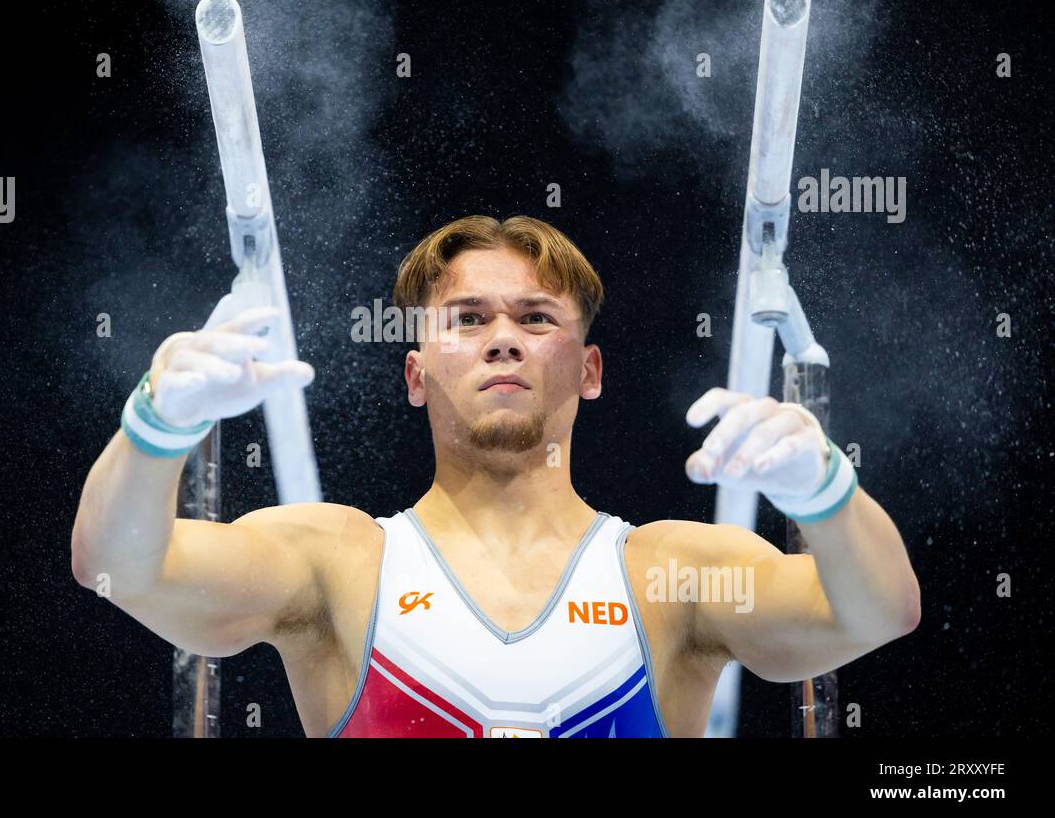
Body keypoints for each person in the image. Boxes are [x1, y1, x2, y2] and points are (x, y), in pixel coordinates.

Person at [71, 214, 920, 737]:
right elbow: (117, 567)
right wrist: (155, 423)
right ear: (413, 374)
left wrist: (824, 491)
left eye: (535, 317)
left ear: (590, 369)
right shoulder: (334, 560)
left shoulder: (672, 573)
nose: (503, 337)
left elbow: (879, 610)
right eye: (467, 318)